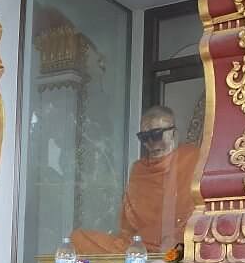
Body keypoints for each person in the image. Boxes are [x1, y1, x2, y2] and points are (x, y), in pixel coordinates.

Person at [71, 105, 199, 254]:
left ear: (174, 134)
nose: (151, 143)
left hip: (179, 246)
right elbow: (128, 228)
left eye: (157, 135)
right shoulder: (139, 169)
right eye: (144, 138)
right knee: (78, 238)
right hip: (138, 247)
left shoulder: (193, 158)